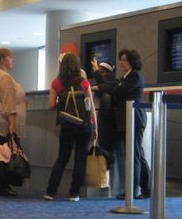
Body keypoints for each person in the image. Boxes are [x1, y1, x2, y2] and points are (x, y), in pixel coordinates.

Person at [91, 49, 150, 199]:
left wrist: (102, 87)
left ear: (131, 61)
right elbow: (111, 86)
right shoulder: (126, 76)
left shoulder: (134, 76)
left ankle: (134, 191)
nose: (121, 62)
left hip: (134, 120)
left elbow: (119, 91)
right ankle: (142, 188)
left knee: (135, 155)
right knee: (136, 155)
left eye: (123, 59)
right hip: (126, 121)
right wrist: (98, 74)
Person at [44, 53, 97, 202]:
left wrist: (62, 100)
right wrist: (96, 128)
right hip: (84, 125)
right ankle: (74, 194)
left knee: (62, 158)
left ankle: (50, 192)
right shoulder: (85, 82)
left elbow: (51, 105)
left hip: (67, 124)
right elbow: (91, 107)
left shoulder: (56, 83)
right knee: (80, 159)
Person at [0, 48, 27, 197]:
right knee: (5, 154)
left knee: (0, 152)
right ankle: (2, 188)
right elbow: (9, 103)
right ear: (3, 60)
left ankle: (1, 187)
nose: (12, 60)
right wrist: (12, 125)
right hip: (1, 119)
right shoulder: (4, 77)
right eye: (10, 58)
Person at [91, 61, 118, 192]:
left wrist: (96, 71)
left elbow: (105, 85)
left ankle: (112, 186)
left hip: (110, 126)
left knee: (111, 157)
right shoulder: (106, 85)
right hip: (105, 126)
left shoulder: (113, 84)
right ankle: (107, 185)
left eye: (102, 72)